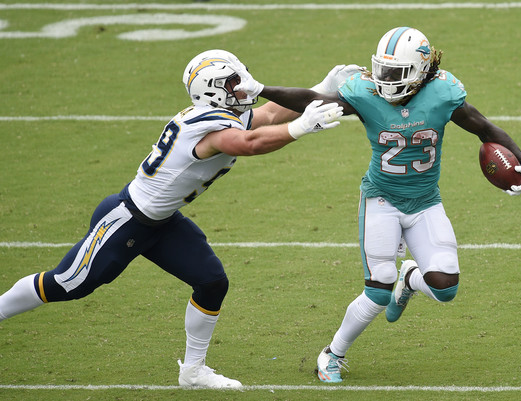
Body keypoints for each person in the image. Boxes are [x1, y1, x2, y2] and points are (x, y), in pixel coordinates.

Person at [0, 49, 343, 389]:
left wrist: (320, 89)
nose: (244, 88)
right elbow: (250, 142)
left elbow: (267, 114)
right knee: (66, 283)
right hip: (128, 219)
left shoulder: (216, 111)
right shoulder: (212, 128)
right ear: (213, 91)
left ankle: (193, 372)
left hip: (161, 222)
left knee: (211, 281)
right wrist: (299, 127)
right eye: (235, 82)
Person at [232, 27, 521, 383]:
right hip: (381, 198)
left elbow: (484, 128)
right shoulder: (365, 92)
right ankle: (332, 355)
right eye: (382, 70)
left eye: (396, 73)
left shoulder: (443, 92)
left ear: (422, 71)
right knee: (378, 288)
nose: (386, 80)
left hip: (425, 201)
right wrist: (262, 90)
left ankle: (410, 278)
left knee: (445, 287)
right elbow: (312, 99)